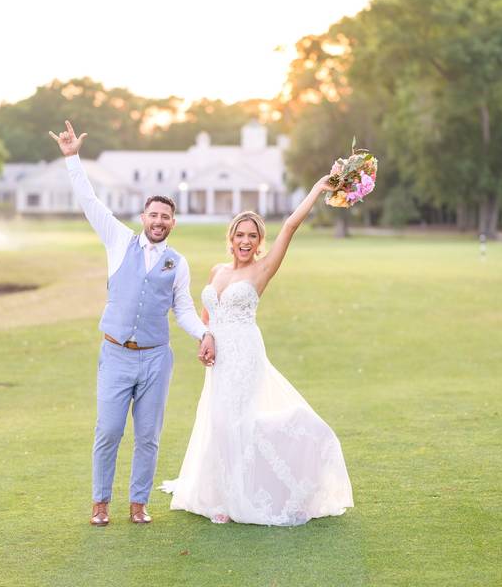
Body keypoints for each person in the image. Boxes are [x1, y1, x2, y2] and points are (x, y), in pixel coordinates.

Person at [49, 121, 216, 526]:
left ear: (173, 223)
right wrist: (72, 159)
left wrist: (205, 332)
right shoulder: (118, 240)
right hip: (116, 354)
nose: (159, 221)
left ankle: (138, 504)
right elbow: (90, 201)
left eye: (166, 217)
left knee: (148, 437)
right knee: (107, 431)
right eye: (154, 214)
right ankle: (100, 503)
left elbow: (184, 311)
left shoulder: (178, 263)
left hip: (157, 359)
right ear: (143, 216)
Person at [161, 177, 354, 525]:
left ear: (259, 241)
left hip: (245, 353)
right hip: (219, 359)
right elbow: (207, 318)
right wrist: (204, 340)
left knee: (237, 421)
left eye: (252, 236)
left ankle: (243, 495)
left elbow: (291, 226)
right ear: (231, 239)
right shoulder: (216, 271)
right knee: (219, 422)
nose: (246, 241)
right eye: (240, 235)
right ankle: (221, 493)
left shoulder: (263, 269)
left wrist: (317, 189)